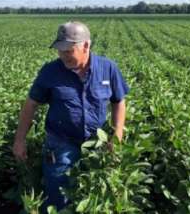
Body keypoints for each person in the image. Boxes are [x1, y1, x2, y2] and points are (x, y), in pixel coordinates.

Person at [12, 21, 129, 211]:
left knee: (95, 194)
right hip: (60, 142)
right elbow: (30, 105)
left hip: (96, 142)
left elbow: (119, 102)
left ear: (86, 45)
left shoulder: (108, 68)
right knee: (58, 195)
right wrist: (19, 140)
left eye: (68, 50)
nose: (63, 56)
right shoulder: (50, 71)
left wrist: (117, 135)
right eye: (60, 50)